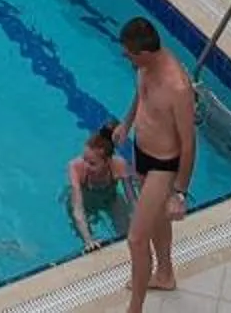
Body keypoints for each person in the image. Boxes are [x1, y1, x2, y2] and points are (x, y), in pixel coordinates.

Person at [116, 17, 193, 311]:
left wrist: (179, 193)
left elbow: (189, 143)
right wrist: (127, 122)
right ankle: (164, 274)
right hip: (142, 153)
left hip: (164, 164)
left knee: (136, 239)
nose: (126, 58)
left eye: (129, 54)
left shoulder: (178, 87)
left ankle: (134, 308)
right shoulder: (145, 65)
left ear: (144, 53)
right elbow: (141, 95)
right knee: (157, 221)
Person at [66, 121, 132, 250]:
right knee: (86, 240)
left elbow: (133, 202)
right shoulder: (75, 167)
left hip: (110, 199)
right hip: (84, 202)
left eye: (92, 163)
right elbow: (78, 209)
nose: (86, 165)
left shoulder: (119, 166)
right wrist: (88, 240)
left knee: (128, 233)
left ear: (107, 161)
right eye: (84, 159)